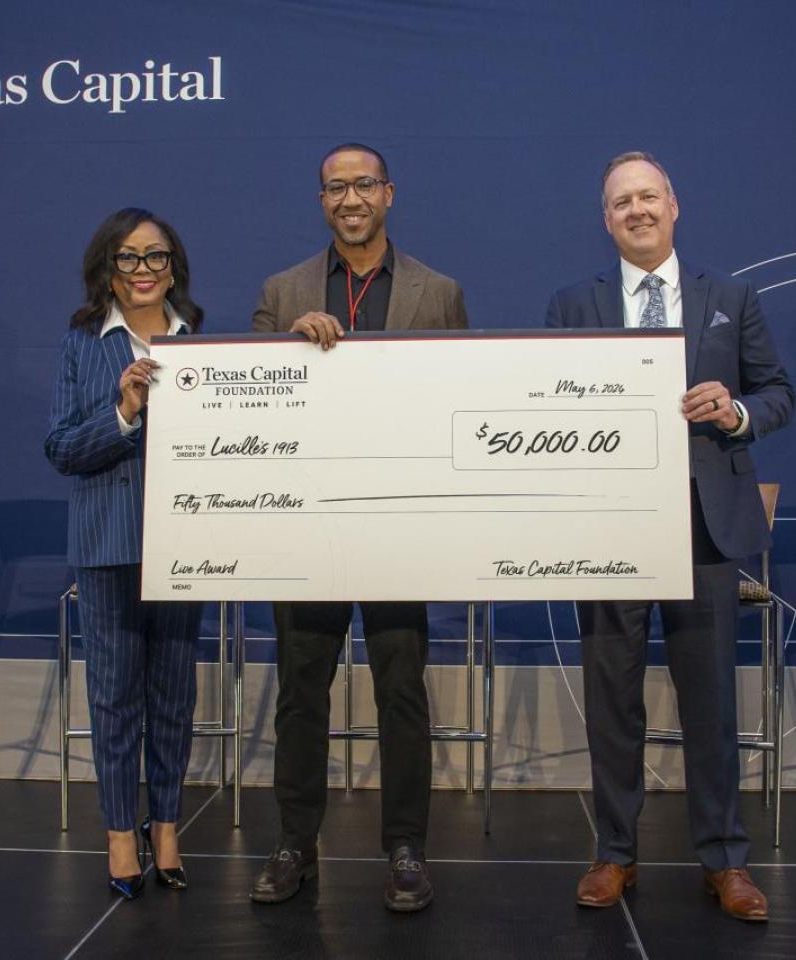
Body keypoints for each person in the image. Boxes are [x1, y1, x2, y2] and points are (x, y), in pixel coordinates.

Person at [546, 152, 794, 921]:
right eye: (621, 202)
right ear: (606, 218)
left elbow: (779, 394)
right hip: (609, 525)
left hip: (703, 527)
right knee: (611, 698)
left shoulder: (732, 297)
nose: (636, 210)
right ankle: (614, 854)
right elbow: (548, 406)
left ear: (674, 206)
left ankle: (725, 859)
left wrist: (736, 411)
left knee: (710, 701)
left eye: (648, 196)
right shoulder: (571, 305)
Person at [249, 143, 468, 912]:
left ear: (389, 194)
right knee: (301, 695)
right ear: (321, 201)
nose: (350, 198)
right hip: (306, 529)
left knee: (402, 692)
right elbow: (252, 404)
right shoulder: (283, 292)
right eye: (335, 187)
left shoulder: (439, 293)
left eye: (363, 185)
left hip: (398, 528)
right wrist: (284, 349)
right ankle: (293, 845)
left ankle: (406, 848)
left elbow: (457, 410)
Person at [45, 208, 206, 900]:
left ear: (175, 266)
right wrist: (123, 416)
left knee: (172, 697)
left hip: (188, 547)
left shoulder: (200, 343)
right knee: (113, 698)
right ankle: (119, 833)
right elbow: (61, 449)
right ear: (107, 268)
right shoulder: (84, 342)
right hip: (108, 545)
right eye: (129, 259)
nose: (144, 272)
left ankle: (165, 826)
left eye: (156, 257)